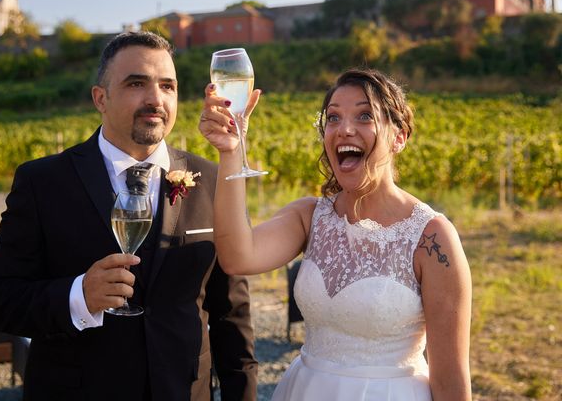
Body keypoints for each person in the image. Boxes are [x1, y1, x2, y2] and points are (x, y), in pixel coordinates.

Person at [0, 31, 257, 401]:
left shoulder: (213, 180)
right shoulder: (42, 182)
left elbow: (231, 314)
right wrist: (79, 296)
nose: (155, 99)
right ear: (101, 98)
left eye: (167, 86)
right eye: (136, 83)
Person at [199, 68, 472, 400]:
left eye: (364, 116)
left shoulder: (431, 237)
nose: (344, 129)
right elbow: (237, 256)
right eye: (333, 118)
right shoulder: (309, 216)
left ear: (399, 136)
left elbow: (451, 382)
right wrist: (230, 153)